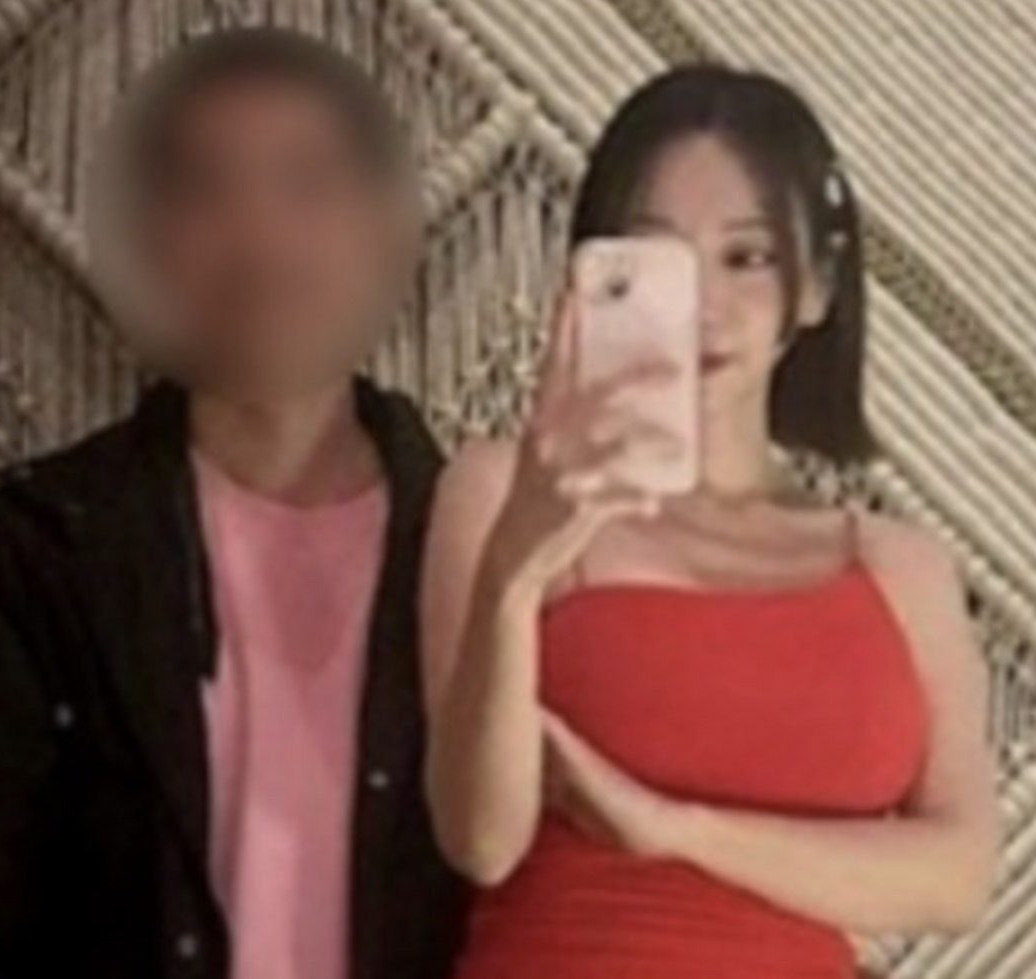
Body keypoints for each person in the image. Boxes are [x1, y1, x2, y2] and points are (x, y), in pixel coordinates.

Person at [0, 28, 467, 979]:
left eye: (308, 185)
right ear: (149, 239)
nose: (262, 239)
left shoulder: (493, 561)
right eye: (208, 191)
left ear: (389, 238)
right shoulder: (22, 566)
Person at [421, 65, 1000, 979]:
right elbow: (479, 839)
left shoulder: (902, 566)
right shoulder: (499, 488)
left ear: (815, 288)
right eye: (659, 258)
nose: (701, 303)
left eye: (747, 257)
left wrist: (674, 827)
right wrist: (516, 569)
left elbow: (957, 875)